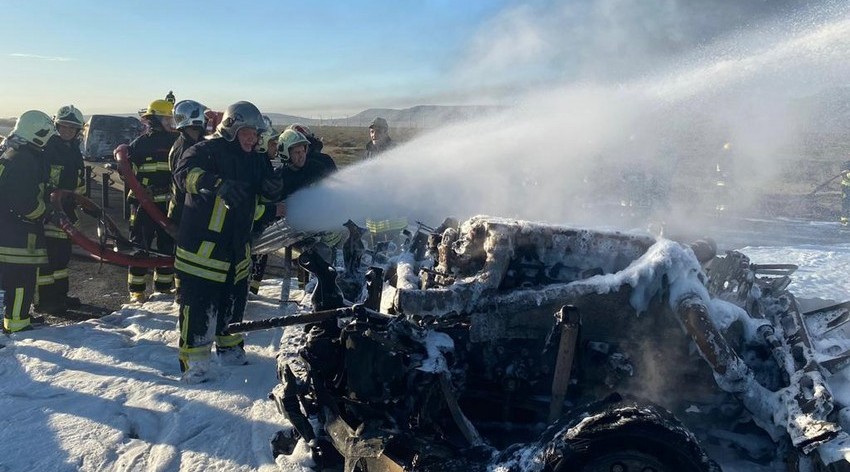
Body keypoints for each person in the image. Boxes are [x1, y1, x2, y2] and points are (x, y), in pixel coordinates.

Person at [173, 101, 286, 382]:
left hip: (237, 250)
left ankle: (231, 352)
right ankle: (195, 365)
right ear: (232, 128)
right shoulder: (207, 150)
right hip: (203, 252)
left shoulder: (257, 160)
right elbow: (183, 174)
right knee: (199, 308)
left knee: (234, 306)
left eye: (257, 134)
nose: (253, 139)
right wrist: (215, 183)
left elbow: (259, 201)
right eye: (248, 132)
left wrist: (271, 191)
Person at [0, 111, 55, 333]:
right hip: (17, 234)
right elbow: (24, 202)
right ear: (38, 134)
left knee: (19, 279)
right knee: (21, 279)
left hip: (9, 229)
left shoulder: (13, 152)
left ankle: (20, 316)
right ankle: (16, 323)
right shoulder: (24, 159)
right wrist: (44, 213)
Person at [35, 105, 87, 314]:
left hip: (66, 211)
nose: (67, 131)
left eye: (71, 128)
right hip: (49, 213)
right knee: (48, 259)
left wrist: (79, 202)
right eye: (63, 126)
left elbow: (78, 181)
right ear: (56, 126)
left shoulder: (73, 150)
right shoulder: (48, 149)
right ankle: (46, 301)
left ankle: (60, 296)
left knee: (62, 258)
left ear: (77, 131)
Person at [126, 99, 178, 303]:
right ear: (155, 119)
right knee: (140, 246)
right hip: (142, 204)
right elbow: (126, 170)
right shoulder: (140, 144)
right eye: (166, 118)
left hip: (167, 203)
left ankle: (163, 289)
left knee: (166, 246)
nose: (170, 122)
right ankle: (137, 291)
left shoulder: (176, 142)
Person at [841, 160, 850, 226]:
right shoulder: (847, 173)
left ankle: (845, 221)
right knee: (846, 205)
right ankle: (844, 222)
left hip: (846, 188)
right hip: (847, 189)